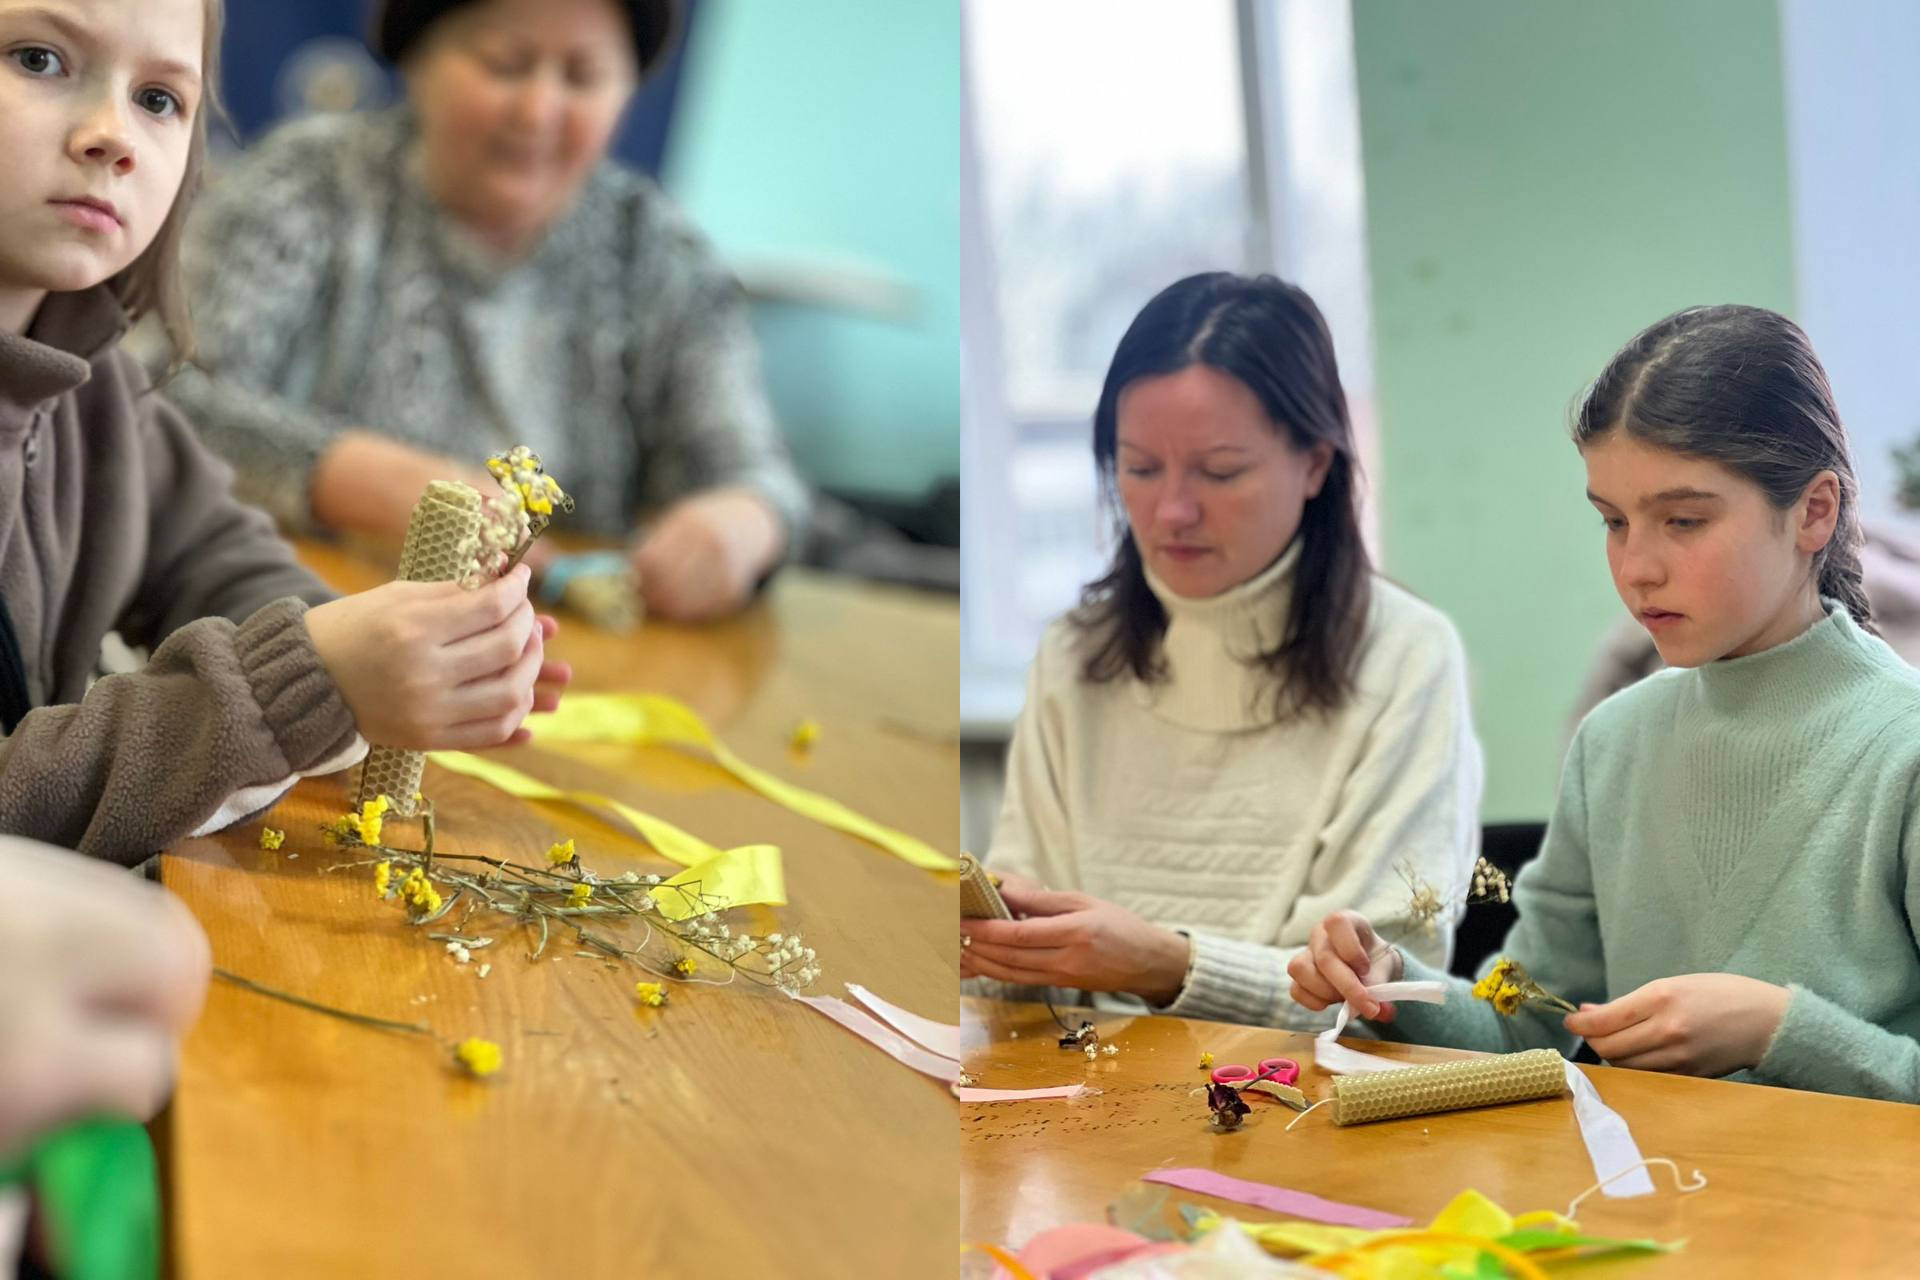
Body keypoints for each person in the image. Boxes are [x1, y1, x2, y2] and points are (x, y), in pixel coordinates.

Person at [1289, 304, 1920, 1103]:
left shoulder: (1902, 746)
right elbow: (1526, 1020)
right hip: (1649, 1212)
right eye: (1614, 522)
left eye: (1683, 521)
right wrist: (1392, 983)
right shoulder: (1615, 741)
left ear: (1814, 512)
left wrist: (1779, 1029)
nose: (1638, 567)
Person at [0, 0, 566, 864]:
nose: (112, 134)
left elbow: (210, 556)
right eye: (37, 59)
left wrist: (389, 652)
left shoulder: (92, 380)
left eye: (160, 99)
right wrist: (299, 685)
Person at [166, 0, 809, 623]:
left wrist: (743, 521)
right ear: (418, 60)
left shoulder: (655, 250)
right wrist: (365, 478)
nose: (538, 110)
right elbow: (164, 400)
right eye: (505, 63)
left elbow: (757, 474)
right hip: (310, 623)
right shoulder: (307, 184)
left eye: (583, 78)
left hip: (562, 651)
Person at [961, 273, 1482, 1030]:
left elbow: (1376, 1004)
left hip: (1301, 1110)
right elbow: (1014, 980)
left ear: (1315, 465)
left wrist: (1166, 966)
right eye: (1139, 468)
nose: (1172, 509)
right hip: (1082, 1101)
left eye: (1220, 471)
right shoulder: (1077, 653)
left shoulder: (1406, 656)